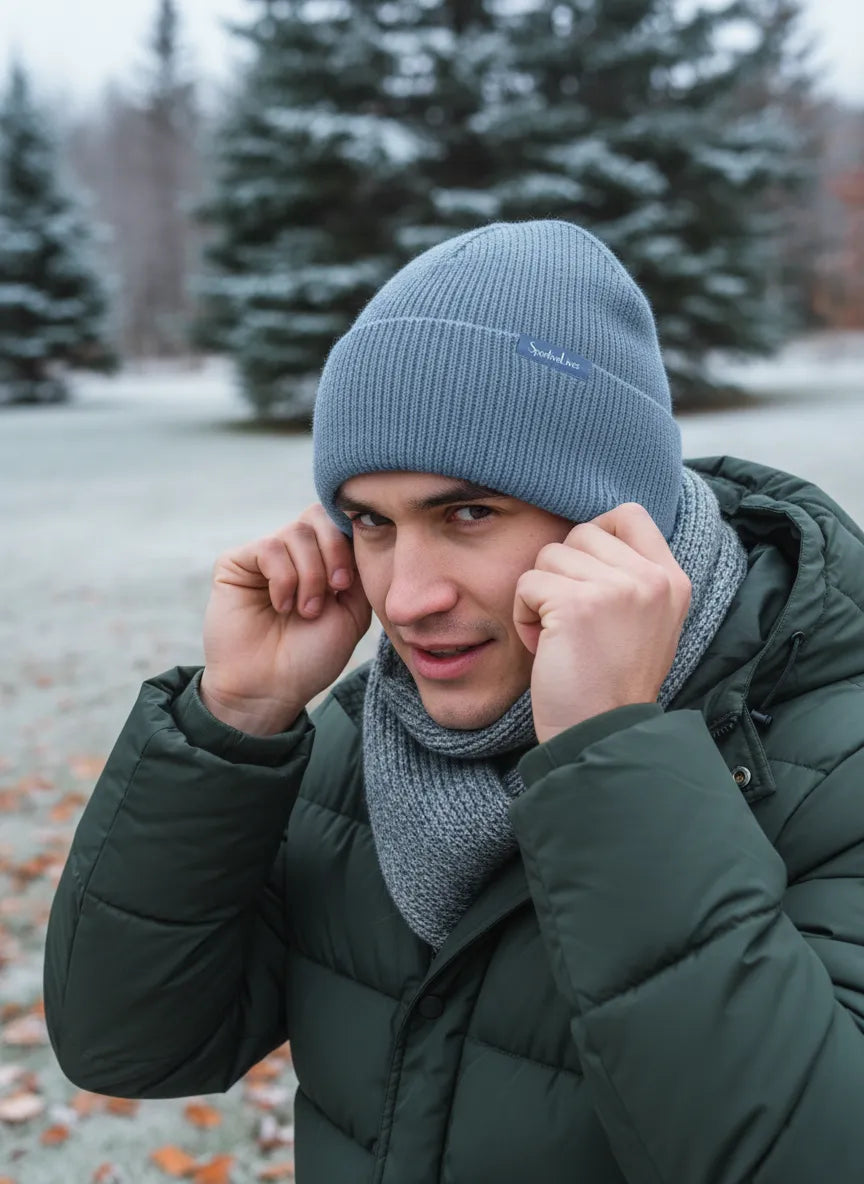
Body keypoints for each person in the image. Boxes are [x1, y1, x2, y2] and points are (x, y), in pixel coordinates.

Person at [44, 220, 864, 1183]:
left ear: (620, 517)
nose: (405, 597)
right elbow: (131, 1044)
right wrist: (236, 717)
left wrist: (612, 752)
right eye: (371, 524)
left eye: (468, 512)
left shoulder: (831, 763)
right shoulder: (368, 737)